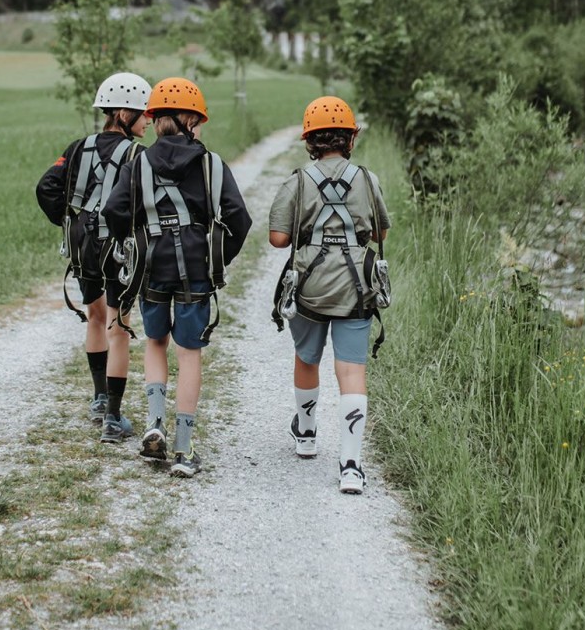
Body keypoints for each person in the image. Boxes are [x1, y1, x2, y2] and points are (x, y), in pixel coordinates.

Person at [102, 77, 252, 478]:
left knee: (155, 342)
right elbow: (239, 219)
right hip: (195, 273)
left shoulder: (137, 164)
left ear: (156, 120)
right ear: (188, 119)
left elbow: (115, 213)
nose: (200, 128)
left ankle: (154, 423)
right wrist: (217, 261)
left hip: (151, 268)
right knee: (189, 355)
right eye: (198, 120)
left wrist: (135, 242)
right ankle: (183, 450)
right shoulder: (210, 164)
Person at [268, 96, 390, 494]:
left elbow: (278, 238)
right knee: (351, 370)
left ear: (309, 141)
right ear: (350, 139)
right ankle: (351, 466)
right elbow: (381, 233)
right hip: (357, 286)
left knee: (307, 358)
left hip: (310, 285)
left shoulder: (298, 180)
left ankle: (305, 434)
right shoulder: (367, 179)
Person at [36, 71, 152, 443]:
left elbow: (46, 187)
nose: (148, 119)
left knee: (95, 316)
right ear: (122, 114)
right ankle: (114, 420)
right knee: (120, 325)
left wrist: (67, 220)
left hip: (83, 243)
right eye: (143, 113)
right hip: (118, 246)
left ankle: (100, 398)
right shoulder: (138, 155)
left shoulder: (76, 147)